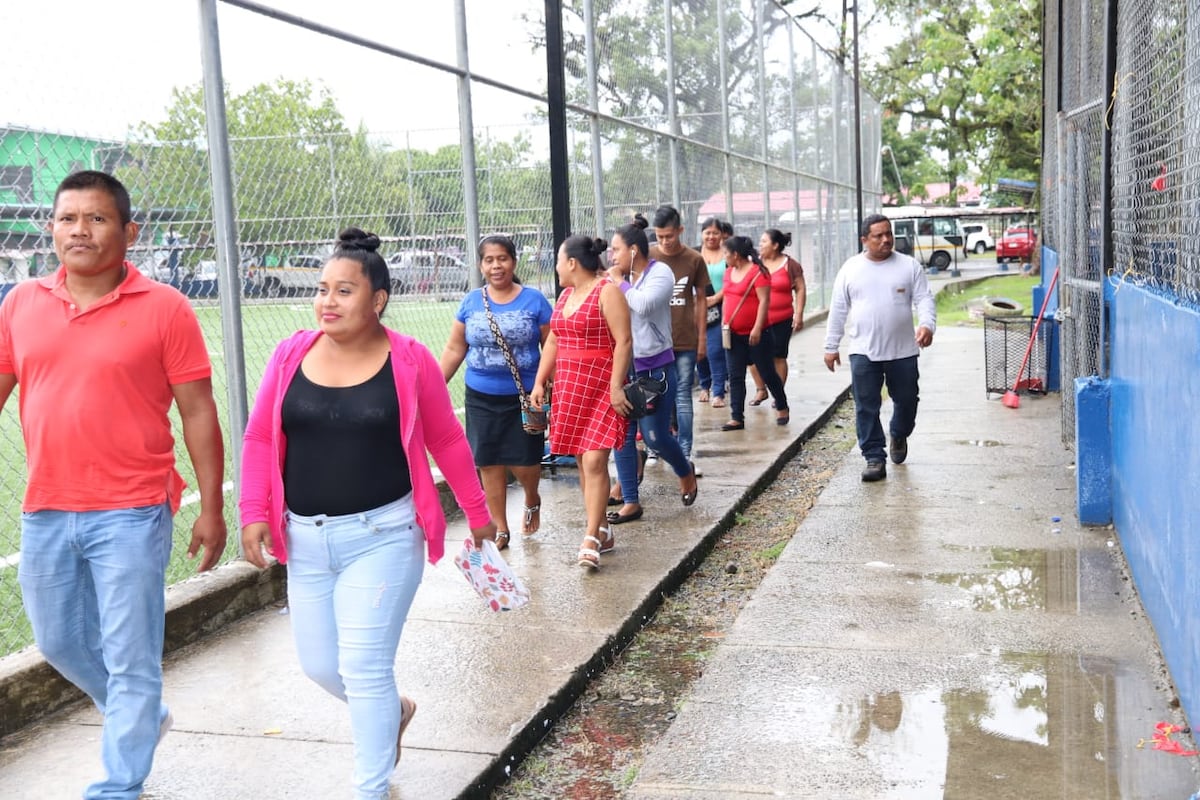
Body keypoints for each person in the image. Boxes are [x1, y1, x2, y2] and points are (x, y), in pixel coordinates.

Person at [239, 228, 496, 799]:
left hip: (384, 536)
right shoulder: (289, 355)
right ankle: (395, 712)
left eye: (344, 290)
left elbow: (448, 440)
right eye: (324, 289)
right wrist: (252, 510)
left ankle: (370, 787)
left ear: (377, 299)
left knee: (363, 666)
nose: (327, 301)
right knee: (319, 666)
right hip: (304, 541)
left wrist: (477, 512)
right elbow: (259, 437)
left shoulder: (409, 360)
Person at [0, 170, 227, 800]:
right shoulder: (20, 304)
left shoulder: (165, 308)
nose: (80, 230)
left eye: (96, 219)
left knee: (131, 656)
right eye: (68, 218)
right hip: (45, 506)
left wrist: (212, 507)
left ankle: (116, 786)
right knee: (60, 641)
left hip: (132, 510)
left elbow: (199, 411)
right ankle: (142, 715)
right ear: (51, 229)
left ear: (128, 232)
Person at [439, 235, 553, 550]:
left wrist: (545, 384)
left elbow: (551, 346)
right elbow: (454, 348)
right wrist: (433, 388)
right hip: (481, 395)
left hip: (525, 397)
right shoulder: (471, 302)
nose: (495, 266)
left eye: (501, 258)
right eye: (488, 260)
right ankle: (500, 526)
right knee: (488, 461)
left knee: (526, 462)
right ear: (480, 265)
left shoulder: (534, 300)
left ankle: (532, 496)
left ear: (513, 262)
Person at [530, 235, 631, 569]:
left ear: (571, 262)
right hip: (570, 386)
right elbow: (555, 341)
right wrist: (540, 380)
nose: (557, 267)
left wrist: (617, 387)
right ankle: (602, 529)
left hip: (602, 383)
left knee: (594, 462)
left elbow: (624, 341)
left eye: (558, 260)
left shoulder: (608, 291)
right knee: (582, 459)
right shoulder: (565, 296)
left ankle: (590, 536)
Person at [823, 214, 936, 482]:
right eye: (878, 235)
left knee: (907, 400)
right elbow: (838, 309)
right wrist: (831, 345)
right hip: (863, 351)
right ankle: (874, 457)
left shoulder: (908, 266)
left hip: (903, 351)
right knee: (866, 406)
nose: (886, 239)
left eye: (889, 234)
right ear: (865, 240)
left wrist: (927, 325)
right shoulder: (850, 269)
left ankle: (898, 432)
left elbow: (924, 299)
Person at [604, 215, 699, 526]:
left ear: (633, 250)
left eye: (616, 249)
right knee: (623, 435)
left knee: (656, 436)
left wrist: (618, 282)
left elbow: (643, 305)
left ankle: (684, 471)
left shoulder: (661, 274)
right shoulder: (619, 278)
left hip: (654, 368)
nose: (612, 256)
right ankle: (631, 500)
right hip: (624, 365)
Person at [648, 204, 709, 469]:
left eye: (669, 236)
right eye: (660, 236)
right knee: (654, 396)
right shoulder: (647, 257)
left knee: (682, 395)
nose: (665, 242)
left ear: (680, 230)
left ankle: (685, 451)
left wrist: (702, 338)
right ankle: (655, 448)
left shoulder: (694, 259)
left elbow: (702, 301)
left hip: (684, 339)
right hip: (653, 343)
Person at [719, 236, 789, 431]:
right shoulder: (728, 272)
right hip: (733, 333)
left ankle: (782, 405)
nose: (724, 257)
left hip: (757, 334)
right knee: (735, 376)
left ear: (735, 254)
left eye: (726, 253)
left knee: (767, 372)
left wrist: (757, 328)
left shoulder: (758, 273)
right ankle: (736, 417)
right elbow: (727, 298)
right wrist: (725, 322)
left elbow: (764, 302)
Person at [757, 228, 808, 391]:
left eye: (764, 241)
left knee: (779, 356)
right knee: (756, 357)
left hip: (782, 319)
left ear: (775, 245)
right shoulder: (755, 263)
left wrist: (799, 314)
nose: (760, 244)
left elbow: (800, 288)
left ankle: (778, 392)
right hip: (758, 319)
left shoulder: (790, 265)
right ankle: (761, 389)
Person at [696, 217, 730, 408]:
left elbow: (733, 279)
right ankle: (704, 385)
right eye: (707, 232)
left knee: (716, 350)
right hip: (696, 308)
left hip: (721, 307)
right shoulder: (693, 253)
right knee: (699, 351)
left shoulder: (727, 254)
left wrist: (716, 298)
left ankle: (718, 392)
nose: (711, 236)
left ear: (721, 235)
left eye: (715, 233)